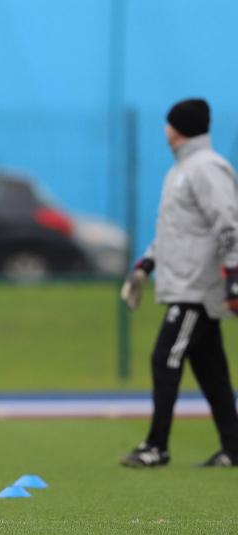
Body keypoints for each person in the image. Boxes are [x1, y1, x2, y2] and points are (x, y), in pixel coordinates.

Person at [120, 98, 238, 468]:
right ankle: (233, 448)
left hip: (197, 289)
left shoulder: (206, 168)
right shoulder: (182, 169)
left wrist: (234, 277)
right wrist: (145, 265)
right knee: (212, 372)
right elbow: (177, 232)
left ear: (178, 126)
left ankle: (157, 446)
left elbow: (229, 224)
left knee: (164, 358)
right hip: (184, 283)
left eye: (168, 123)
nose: (164, 129)